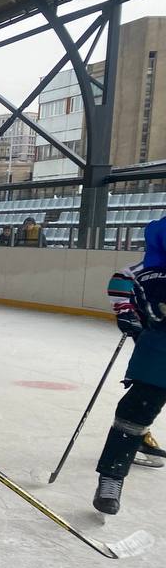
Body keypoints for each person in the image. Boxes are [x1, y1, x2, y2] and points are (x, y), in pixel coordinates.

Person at [94, 215, 166, 514]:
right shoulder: (151, 269)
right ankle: (111, 478)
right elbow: (121, 279)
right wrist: (125, 313)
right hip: (160, 346)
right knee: (138, 407)